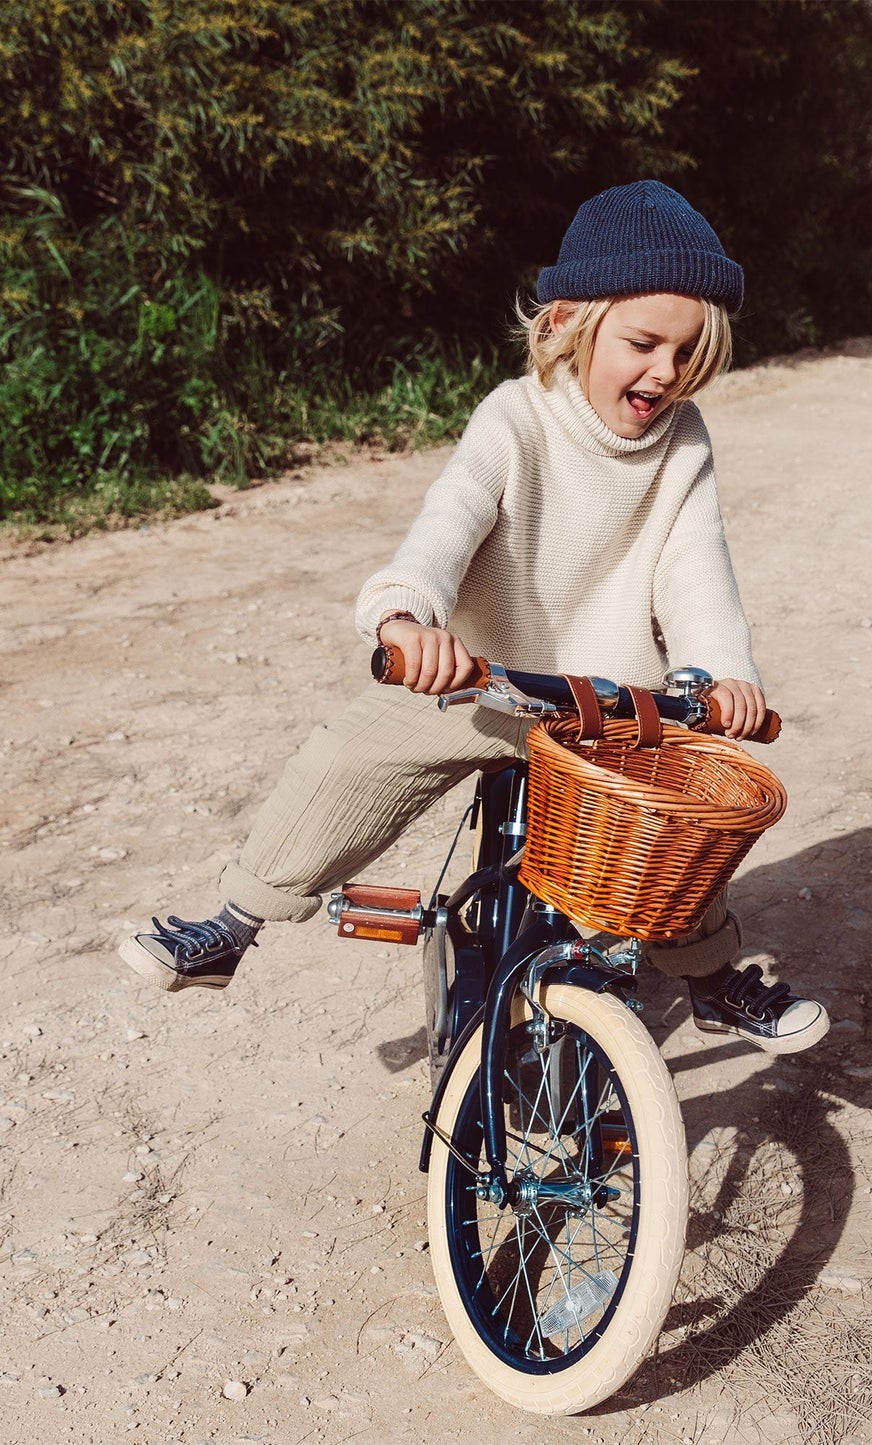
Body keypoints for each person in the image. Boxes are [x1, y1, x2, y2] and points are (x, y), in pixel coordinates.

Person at [118, 179, 829, 1056]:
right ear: (569, 323)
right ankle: (235, 920)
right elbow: (445, 525)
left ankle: (712, 978)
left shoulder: (682, 442)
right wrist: (407, 619)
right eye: (642, 343)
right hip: (482, 680)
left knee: (672, 817)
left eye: (687, 352)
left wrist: (724, 674)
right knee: (349, 756)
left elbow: (696, 566)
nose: (664, 372)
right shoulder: (516, 419)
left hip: (610, 708)